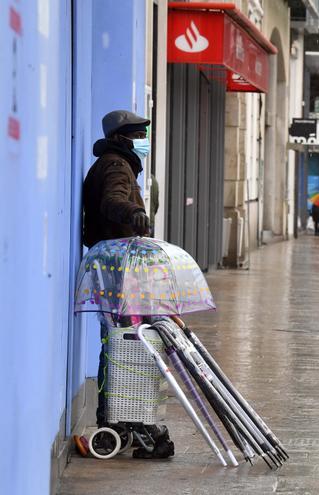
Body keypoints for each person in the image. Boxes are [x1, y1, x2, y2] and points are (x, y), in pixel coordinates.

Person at [81, 110, 174, 458]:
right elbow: (112, 201)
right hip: (114, 262)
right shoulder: (117, 165)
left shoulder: (114, 162)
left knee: (118, 338)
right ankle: (120, 418)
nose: (143, 142)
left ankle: (119, 417)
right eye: (139, 135)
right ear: (123, 138)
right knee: (121, 340)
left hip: (113, 261)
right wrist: (132, 214)